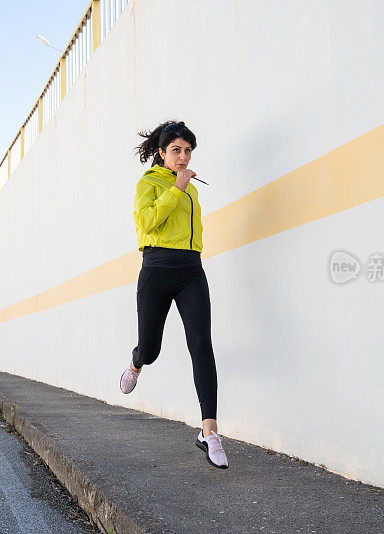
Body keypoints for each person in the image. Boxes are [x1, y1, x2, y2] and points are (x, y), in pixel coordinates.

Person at [120, 120, 228, 469]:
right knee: (151, 349)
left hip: (191, 271)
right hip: (156, 268)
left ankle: (209, 430)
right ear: (162, 153)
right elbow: (148, 223)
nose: (184, 157)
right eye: (176, 151)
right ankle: (136, 362)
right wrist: (176, 190)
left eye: (188, 150)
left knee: (201, 344)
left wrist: (183, 191)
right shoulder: (148, 183)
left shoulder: (191, 190)